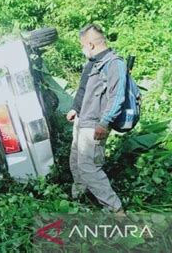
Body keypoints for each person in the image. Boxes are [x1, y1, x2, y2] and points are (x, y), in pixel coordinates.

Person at [66, 24, 125, 213]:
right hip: (82, 119)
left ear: (90, 44)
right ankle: (81, 198)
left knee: (89, 166)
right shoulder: (94, 61)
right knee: (76, 160)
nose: (82, 48)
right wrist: (75, 109)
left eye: (82, 45)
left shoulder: (114, 64)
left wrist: (105, 122)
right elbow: (85, 89)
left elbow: (117, 97)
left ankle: (115, 209)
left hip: (94, 124)